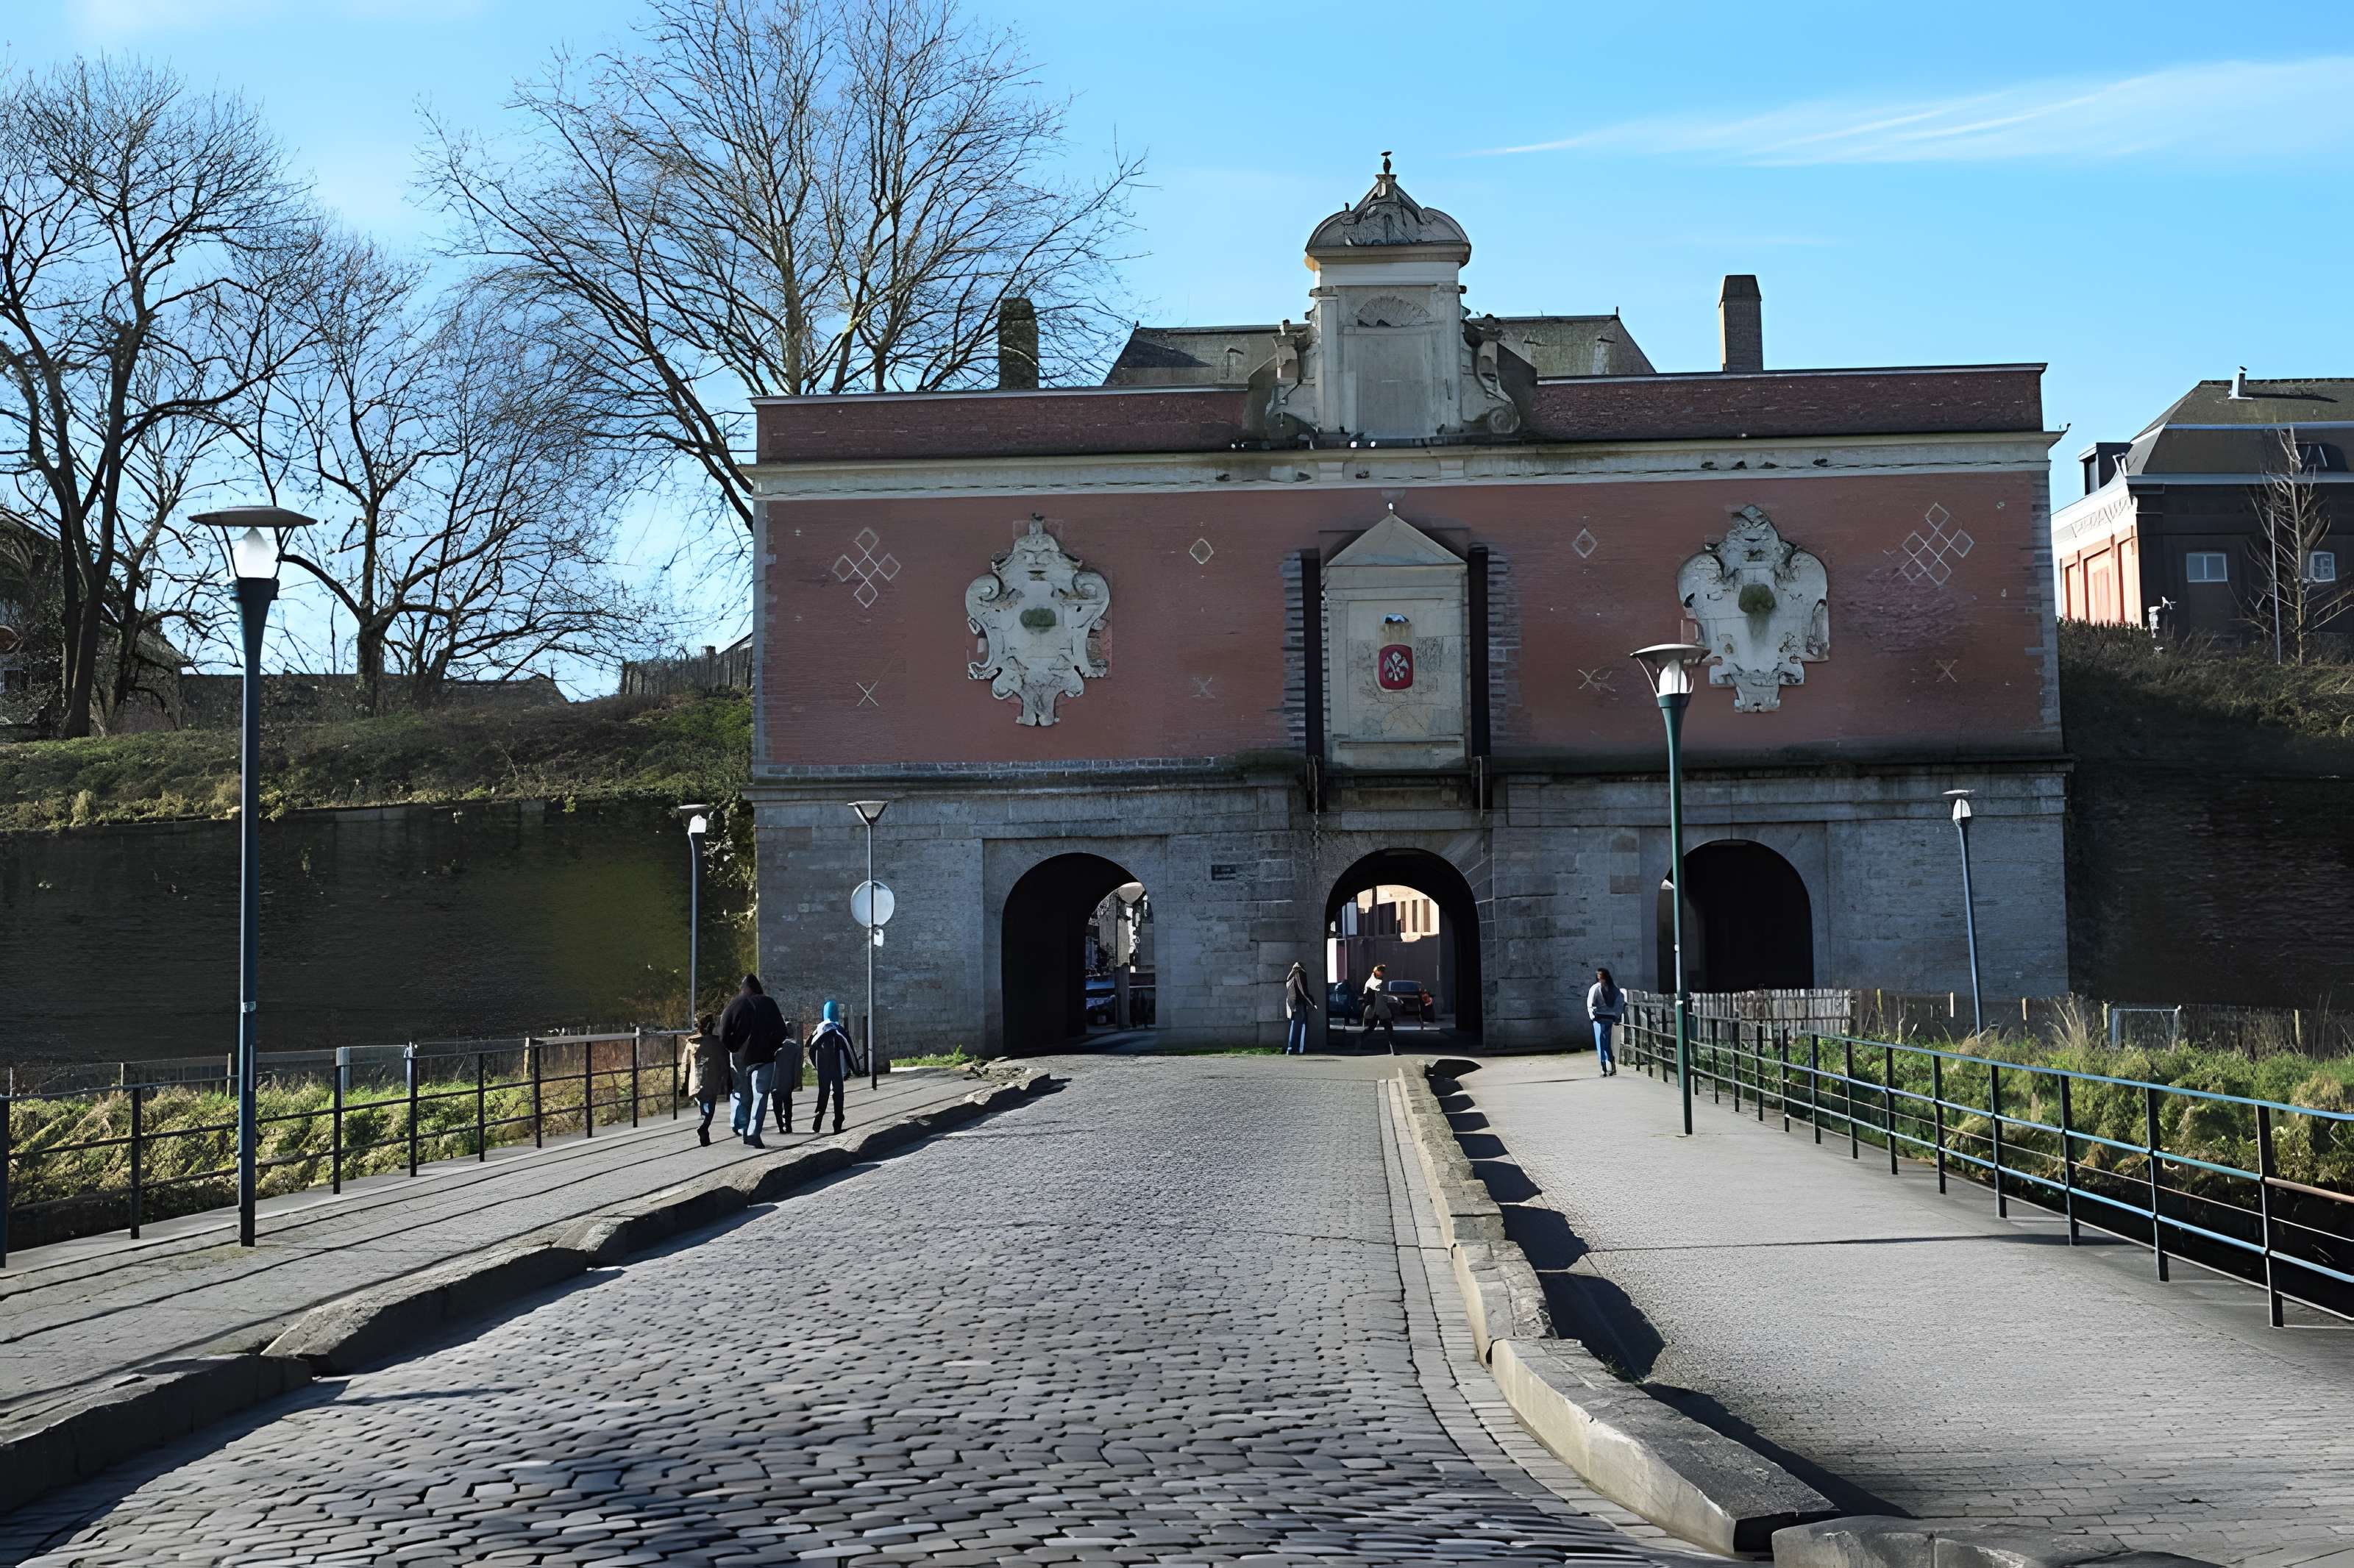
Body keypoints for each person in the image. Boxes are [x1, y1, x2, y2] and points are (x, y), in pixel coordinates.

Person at [719, 974, 788, 1147]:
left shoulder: (734, 1004)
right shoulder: (769, 1003)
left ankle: (743, 1127)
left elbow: (724, 1031)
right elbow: (782, 1031)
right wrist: (772, 1046)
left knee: (743, 1093)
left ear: (743, 988)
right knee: (761, 1095)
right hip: (764, 1057)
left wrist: (733, 1048)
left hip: (740, 1057)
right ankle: (754, 1132)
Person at [808, 1000, 855, 1134]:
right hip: (836, 1065)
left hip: (822, 1066)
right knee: (838, 1092)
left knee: (824, 1091)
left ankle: (820, 1113)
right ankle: (838, 1122)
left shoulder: (818, 1029)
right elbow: (849, 1049)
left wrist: (817, 1066)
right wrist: (853, 1068)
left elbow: (810, 1048)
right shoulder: (838, 1029)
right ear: (837, 1014)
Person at [683, 1012, 730, 1146]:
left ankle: (705, 1130)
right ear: (712, 1026)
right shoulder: (717, 1043)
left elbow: (685, 1063)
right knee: (711, 1106)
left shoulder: (692, 1042)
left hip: (695, 1079)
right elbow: (724, 1061)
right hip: (712, 1079)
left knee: (703, 1104)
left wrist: (684, 1084)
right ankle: (705, 1127)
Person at [769, 1016, 804, 1136]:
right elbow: (797, 1068)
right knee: (788, 1103)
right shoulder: (796, 1048)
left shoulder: (774, 1047)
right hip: (788, 1082)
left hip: (774, 1081)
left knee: (776, 1104)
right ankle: (788, 1124)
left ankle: (780, 1125)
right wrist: (797, 1083)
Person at [1587, 966, 1624, 1076]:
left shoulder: (1595, 988)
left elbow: (1590, 1004)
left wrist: (1593, 1016)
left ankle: (1603, 1067)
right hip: (1608, 1018)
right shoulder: (1614, 988)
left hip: (1599, 1018)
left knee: (1600, 1043)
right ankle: (1611, 1065)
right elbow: (1619, 1003)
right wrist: (1617, 1016)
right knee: (1606, 1042)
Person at [1283, 961, 1316, 1055]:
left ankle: (1291, 1049)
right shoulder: (1301, 974)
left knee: (1294, 1026)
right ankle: (1299, 1049)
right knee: (1302, 1027)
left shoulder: (1290, 977)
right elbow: (1303, 992)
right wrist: (1312, 1003)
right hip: (1300, 1005)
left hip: (1293, 1005)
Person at [1362, 965, 1395, 1052]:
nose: (1383, 973)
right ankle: (1393, 1049)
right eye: (1382, 972)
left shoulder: (1379, 981)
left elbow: (1383, 996)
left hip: (1380, 1009)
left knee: (1385, 1028)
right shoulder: (1374, 982)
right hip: (1377, 1009)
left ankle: (1393, 1049)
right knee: (1385, 1029)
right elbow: (1374, 997)